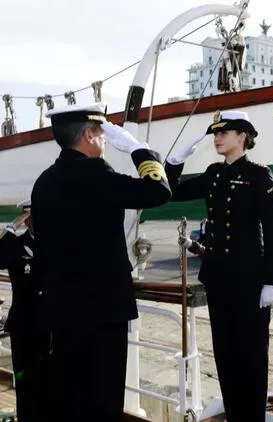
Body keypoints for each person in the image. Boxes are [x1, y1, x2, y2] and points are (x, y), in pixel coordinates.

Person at [30, 102, 171, 421]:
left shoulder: (45, 182)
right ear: (90, 135)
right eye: (103, 134)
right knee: (103, 399)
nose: (106, 140)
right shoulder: (95, 174)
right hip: (102, 311)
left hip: (61, 310)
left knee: (70, 395)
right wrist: (139, 150)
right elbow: (158, 191)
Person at [165, 110, 273, 421]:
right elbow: (171, 191)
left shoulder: (259, 175)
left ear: (243, 136)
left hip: (249, 282)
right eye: (215, 133)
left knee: (252, 356)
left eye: (225, 132)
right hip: (218, 280)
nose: (217, 137)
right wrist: (175, 162)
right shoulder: (214, 173)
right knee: (226, 354)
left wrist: (271, 281)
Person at [0, 199, 50, 422]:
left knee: (51, 378)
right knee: (25, 381)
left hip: (52, 322)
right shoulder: (15, 245)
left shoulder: (56, 244)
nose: (33, 221)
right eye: (29, 217)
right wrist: (10, 229)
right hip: (24, 324)